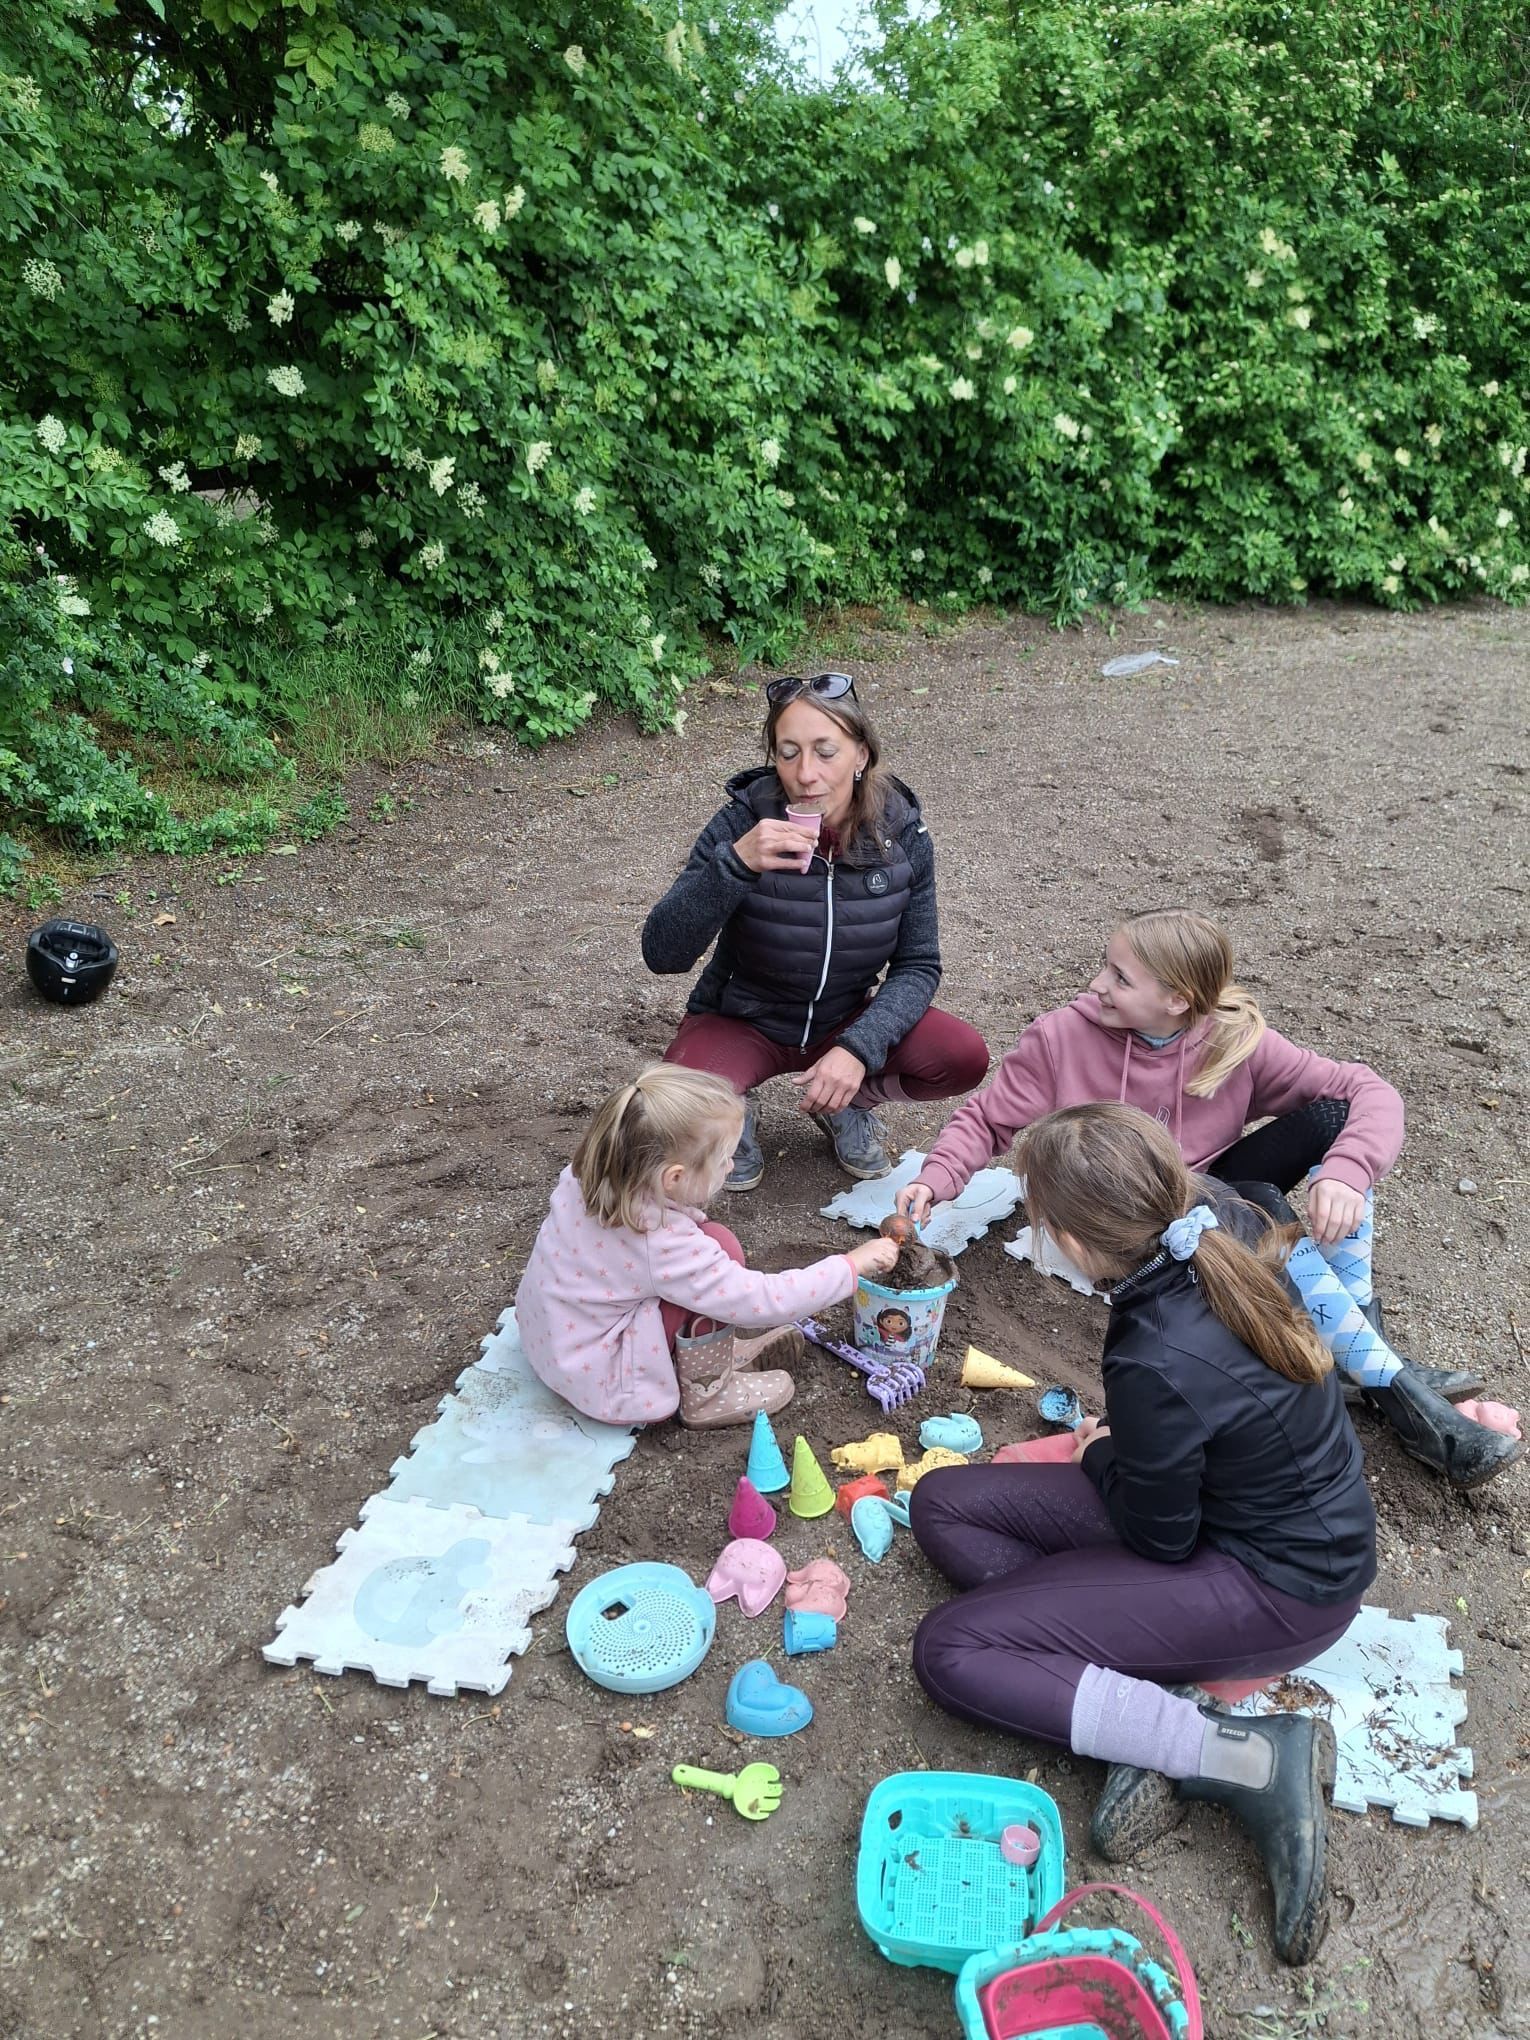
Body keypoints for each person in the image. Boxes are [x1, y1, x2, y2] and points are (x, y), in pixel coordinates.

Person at [910, 1103, 1376, 1967]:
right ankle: (1116, 1683)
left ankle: (1231, 1754)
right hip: (1238, 1522)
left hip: (1281, 1587)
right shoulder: (1216, 1224)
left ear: (1080, 1242)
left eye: (1038, 1220)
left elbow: (1158, 1536)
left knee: (950, 1651)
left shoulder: (1156, 1354)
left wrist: (1102, 1452)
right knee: (942, 1503)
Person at [897, 908, 1519, 1489]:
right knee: (1259, 1207)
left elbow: (1370, 1091)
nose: (1096, 985)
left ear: (1177, 1000)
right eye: (1106, 968)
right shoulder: (1062, 1037)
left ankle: (1364, 1358)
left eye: (1120, 977)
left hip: (1213, 1190)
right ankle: (1405, 1397)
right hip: (1139, 1210)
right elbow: (988, 1119)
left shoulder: (1229, 1038)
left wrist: (1347, 1172)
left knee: (1331, 1122)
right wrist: (938, 1176)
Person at [641, 672, 988, 1191]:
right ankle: (732, 1108)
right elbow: (662, 953)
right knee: (672, 1118)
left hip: (844, 1017)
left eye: (826, 751)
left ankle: (849, 1101)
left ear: (861, 755)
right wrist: (735, 865)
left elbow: (918, 964)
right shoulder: (741, 824)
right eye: (788, 752)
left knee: (961, 1057)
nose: (806, 774)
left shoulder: (902, 835)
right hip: (744, 1019)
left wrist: (858, 1048)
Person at [516, 1064, 898, 1427]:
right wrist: (850, 1265)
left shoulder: (590, 1176)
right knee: (718, 1262)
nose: (731, 1167)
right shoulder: (660, 1244)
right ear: (673, 1178)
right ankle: (708, 1395)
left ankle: (710, 1356)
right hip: (607, 1381)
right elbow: (762, 1301)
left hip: (555, 1340)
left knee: (717, 1244)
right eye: (724, 1160)